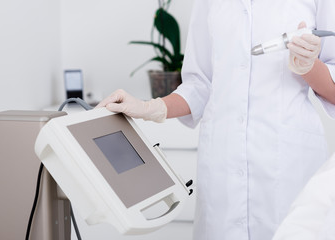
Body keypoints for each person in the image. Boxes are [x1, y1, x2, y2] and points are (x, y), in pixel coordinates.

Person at [97, 0, 335, 239]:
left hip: (288, 166)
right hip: (224, 168)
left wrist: (308, 66)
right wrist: (149, 107)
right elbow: (200, 84)